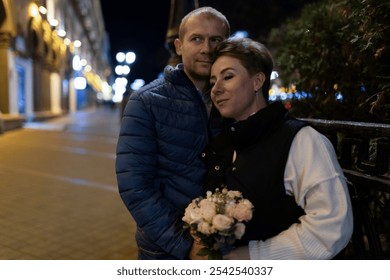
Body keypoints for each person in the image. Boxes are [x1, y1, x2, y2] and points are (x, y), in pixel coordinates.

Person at [191, 37, 353, 259]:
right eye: (212, 81)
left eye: (228, 77)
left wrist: (254, 256)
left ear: (257, 81)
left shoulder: (302, 140)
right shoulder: (224, 142)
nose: (216, 89)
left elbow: (332, 227)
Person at [115, 7, 230, 260]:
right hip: (164, 248)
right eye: (196, 38)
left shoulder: (234, 100)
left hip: (224, 242)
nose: (207, 48)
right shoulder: (146, 101)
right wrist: (185, 244)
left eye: (216, 40)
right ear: (179, 46)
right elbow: (134, 185)